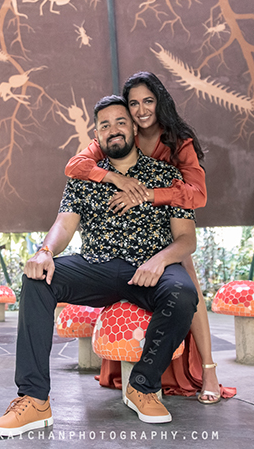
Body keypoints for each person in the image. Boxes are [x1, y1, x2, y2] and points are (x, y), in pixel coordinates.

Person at [0, 95, 199, 437]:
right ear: (96, 135)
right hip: (96, 264)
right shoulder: (85, 177)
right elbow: (64, 225)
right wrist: (45, 251)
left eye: (120, 122)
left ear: (134, 127)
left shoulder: (165, 174)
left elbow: (186, 239)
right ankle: (34, 400)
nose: (113, 129)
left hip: (149, 266)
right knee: (38, 280)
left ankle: (142, 386)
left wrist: (160, 260)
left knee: (184, 293)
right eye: (105, 125)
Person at [65, 71, 226, 404]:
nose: (140, 110)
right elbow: (76, 165)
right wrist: (114, 178)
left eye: (148, 101)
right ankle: (132, 368)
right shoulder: (124, 133)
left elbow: (198, 195)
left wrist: (148, 195)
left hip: (171, 223)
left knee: (188, 283)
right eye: (134, 103)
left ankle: (209, 369)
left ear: (160, 101)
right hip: (131, 232)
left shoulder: (178, 141)